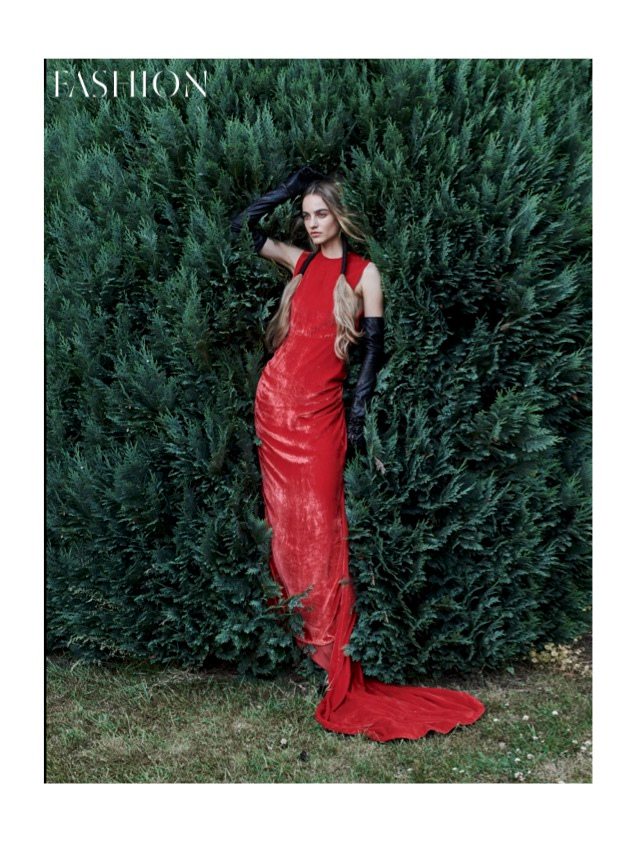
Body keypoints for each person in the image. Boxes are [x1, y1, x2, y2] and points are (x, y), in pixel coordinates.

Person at [231, 166, 485, 741]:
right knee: (285, 522)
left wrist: (360, 414)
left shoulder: (364, 273)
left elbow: (371, 354)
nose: (312, 224)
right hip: (275, 405)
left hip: (320, 414)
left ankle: (327, 644)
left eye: (321, 214)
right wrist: (288, 189)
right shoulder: (300, 263)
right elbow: (242, 228)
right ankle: (293, 632)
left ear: (339, 217)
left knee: (323, 522)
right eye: (306, 215)